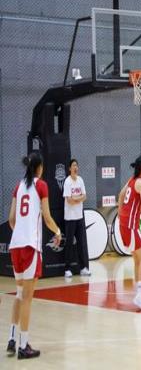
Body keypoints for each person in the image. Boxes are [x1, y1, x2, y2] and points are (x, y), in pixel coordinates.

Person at [7, 153, 62, 359]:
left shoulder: (18, 186)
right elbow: (47, 218)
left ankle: (12, 339)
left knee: (19, 294)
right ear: (40, 168)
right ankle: (23, 345)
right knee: (27, 298)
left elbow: (11, 219)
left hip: (16, 246)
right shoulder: (41, 186)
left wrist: (21, 231)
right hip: (30, 246)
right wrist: (58, 232)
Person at [117, 156, 141, 311]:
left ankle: (138, 294)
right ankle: (138, 295)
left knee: (137, 259)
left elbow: (121, 195)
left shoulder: (131, 181)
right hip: (130, 226)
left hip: (124, 224)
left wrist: (120, 212)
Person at [63, 159, 90, 278]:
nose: (76, 167)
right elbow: (69, 200)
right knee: (69, 243)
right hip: (70, 218)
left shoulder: (81, 180)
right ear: (69, 168)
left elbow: (85, 196)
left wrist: (76, 198)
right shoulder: (67, 182)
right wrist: (79, 198)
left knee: (81, 243)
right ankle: (67, 269)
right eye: (73, 165)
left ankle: (83, 268)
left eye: (77, 165)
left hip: (80, 217)